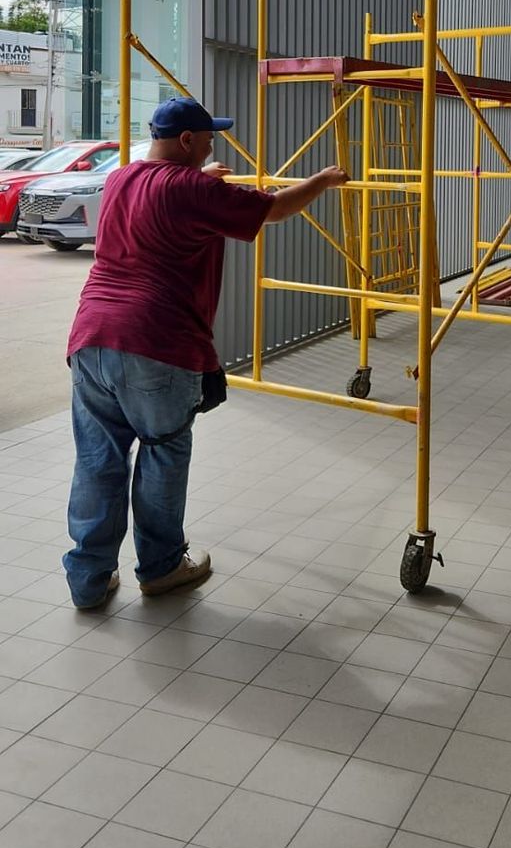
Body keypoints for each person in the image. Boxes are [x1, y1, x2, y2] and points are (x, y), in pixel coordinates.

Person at [63, 96, 347, 611]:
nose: (213, 145)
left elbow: (169, 195)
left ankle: (88, 580)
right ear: (189, 141)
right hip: (156, 342)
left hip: (91, 337)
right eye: (209, 139)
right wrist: (322, 180)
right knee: (162, 453)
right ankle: (162, 567)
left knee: (98, 460)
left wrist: (204, 178)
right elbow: (275, 208)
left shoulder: (123, 177)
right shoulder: (193, 188)